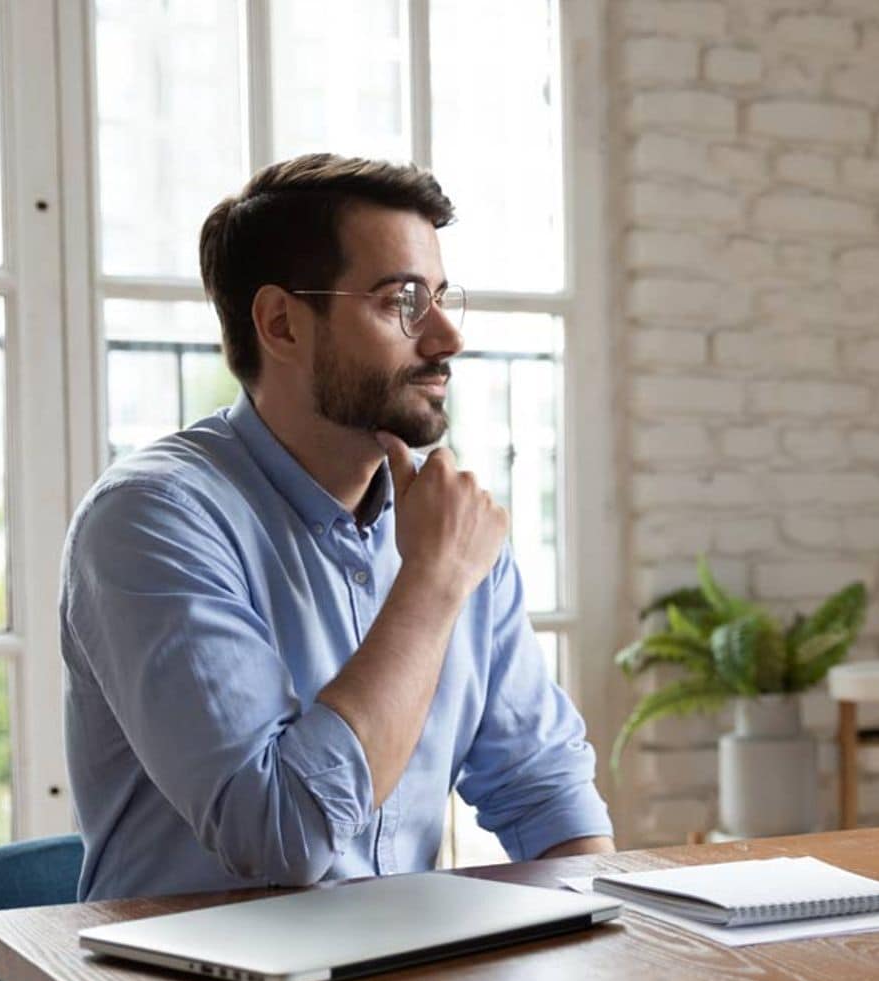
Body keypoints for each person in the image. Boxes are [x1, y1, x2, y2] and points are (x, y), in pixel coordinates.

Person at [63, 153, 613, 901]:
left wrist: (604, 945)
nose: (447, 336)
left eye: (444, 298)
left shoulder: (447, 523)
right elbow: (280, 837)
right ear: (282, 324)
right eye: (403, 303)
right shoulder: (152, 519)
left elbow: (545, 794)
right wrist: (432, 583)